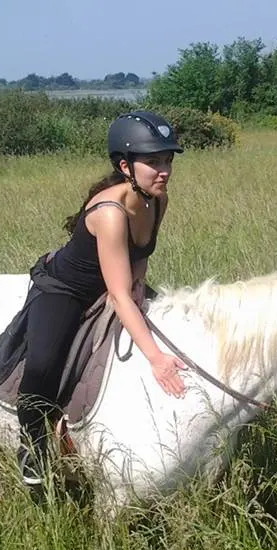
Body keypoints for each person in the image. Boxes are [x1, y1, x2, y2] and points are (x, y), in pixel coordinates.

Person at [17, 110, 187, 489]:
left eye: (167, 160)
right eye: (153, 162)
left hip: (117, 283)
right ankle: (31, 449)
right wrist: (157, 360)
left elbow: (139, 257)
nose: (164, 170)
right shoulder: (109, 212)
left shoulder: (157, 199)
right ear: (125, 166)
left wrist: (141, 289)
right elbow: (117, 294)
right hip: (66, 291)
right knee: (42, 368)